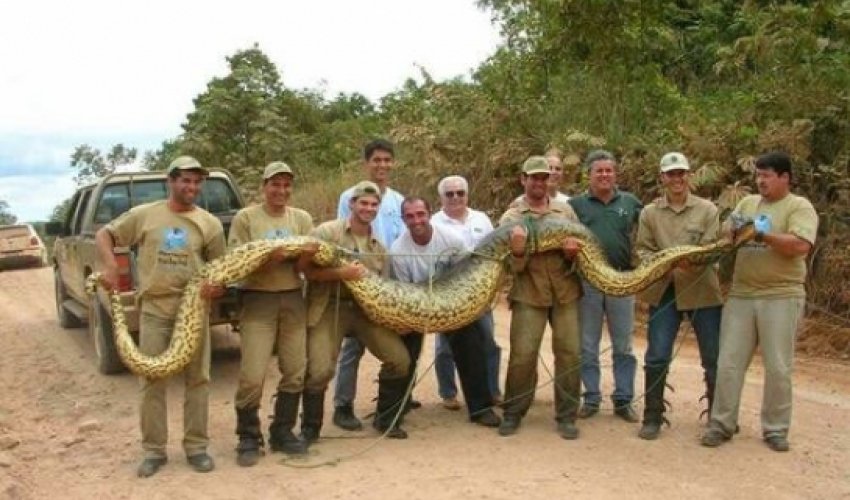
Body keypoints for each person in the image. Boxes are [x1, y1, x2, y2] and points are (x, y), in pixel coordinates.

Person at [94, 155, 226, 477]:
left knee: (199, 379)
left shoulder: (209, 223)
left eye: (197, 181)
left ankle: (196, 447)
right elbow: (105, 235)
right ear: (171, 181)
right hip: (155, 307)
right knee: (152, 378)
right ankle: (154, 451)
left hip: (193, 309)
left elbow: (220, 268)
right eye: (185, 180)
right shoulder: (146, 215)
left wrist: (216, 287)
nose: (191, 187)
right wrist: (111, 266)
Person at [702, 151, 818, 452]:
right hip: (741, 294)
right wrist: (734, 230)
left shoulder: (799, 207)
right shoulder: (747, 203)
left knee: (778, 366)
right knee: (728, 362)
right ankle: (721, 424)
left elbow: (800, 245)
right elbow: (727, 234)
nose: (760, 181)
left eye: (767, 175)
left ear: (785, 177)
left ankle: (776, 429)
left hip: (781, 294)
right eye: (758, 175)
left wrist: (763, 236)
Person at [300, 181, 413, 440]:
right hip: (330, 306)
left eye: (374, 205)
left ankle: (386, 420)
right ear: (351, 204)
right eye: (363, 203)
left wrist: (397, 319)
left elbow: (384, 290)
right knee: (319, 370)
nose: (368, 208)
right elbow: (307, 271)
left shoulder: (379, 248)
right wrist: (341, 273)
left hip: (364, 312)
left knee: (400, 360)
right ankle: (309, 428)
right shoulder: (327, 232)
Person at [227, 161, 314, 466]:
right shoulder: (246, 218)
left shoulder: (301, 219)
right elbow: (238, 267)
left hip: (292, 299)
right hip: (257, 300)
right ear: (264, 187)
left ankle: (283, 431)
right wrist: (269, 260)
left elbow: (305, 269)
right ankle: (248, 436)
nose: (281, 190)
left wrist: (303, 259)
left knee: (295, 369)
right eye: (275, 184)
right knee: (252, 373)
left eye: (286, 185)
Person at [634, 152, 723, 440]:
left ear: (689, 176)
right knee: (657, 355)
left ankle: (718, 419)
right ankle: (652, 417)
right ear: (662, 178)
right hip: (664, 290)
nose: (677, 179)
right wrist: (664, 265)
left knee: (713, 357)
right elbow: (643, 249)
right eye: (671, 174)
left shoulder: (708, 210)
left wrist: (686, 261)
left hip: (703, 291)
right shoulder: (649, 213)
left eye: (681, 173)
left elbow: (713, 248)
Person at [391, 197, 502, 427]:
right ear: (403, 220)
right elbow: (405, 291)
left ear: (429, 214)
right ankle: (397, 406)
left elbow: (466, 275)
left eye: (420, 214)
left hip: (451, 302)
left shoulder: (451, 239)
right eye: (410, 216)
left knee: (472, 342)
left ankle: (480, 408)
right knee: (404, 348)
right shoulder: (398, 251)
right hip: (418, 305)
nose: (416, 220)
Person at [497, 156, 583, 439]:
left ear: (550, 180)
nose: (539, 182)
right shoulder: (512, 217)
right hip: (529, 293)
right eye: (533, 177)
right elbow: (507, 264)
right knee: (523, 355)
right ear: (523, 179)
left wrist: (573, 254)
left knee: (570, 353)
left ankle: (567, 415)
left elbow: (583, 251)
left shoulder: (565, 211)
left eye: (544, 177)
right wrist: (519, 251)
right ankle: (513, 412)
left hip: (565, 292)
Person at [332, 139, 406, 431]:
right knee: (354, 346)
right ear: (367, 163)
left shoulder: (398, 200)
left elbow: (400, 241)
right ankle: (342, 405)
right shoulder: (349, 196)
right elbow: (343, 234)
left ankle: (391, 404)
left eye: (387, 160)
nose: (382, 165)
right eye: (377, 160)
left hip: (388, 279)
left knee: (394, 345)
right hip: (358, 279)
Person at [569, 149, 643, 422]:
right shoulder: (576, 205)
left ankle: (624, 399)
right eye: (598, 171)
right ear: (589, 175)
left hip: (622, 280)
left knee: (623, 344)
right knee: (587, 344)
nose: (604, 175)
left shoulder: (631, 202)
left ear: (616, 174)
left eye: (608, 170)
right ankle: (591, 398)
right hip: (587, 282)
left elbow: (647, 231)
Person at [431, 175, 502, 409]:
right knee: (445, 346)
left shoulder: (481, 219)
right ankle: (448, 393)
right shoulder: (434, 223)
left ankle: (492, 390)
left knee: (488, 341)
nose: (455, 197)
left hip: (480, 291)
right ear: (441, 197)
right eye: (449, 194)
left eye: (460, 192)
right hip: (449, 293)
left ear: (467, 194)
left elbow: (495, 254)